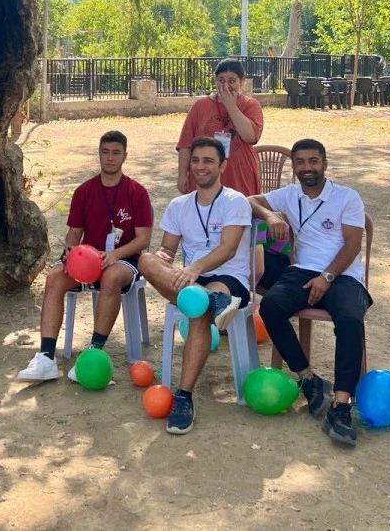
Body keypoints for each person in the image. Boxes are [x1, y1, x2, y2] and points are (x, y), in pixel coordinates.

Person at [250, 138, 370, 446]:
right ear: (294, 166)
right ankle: (309, 379)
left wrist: (327, 276)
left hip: (343, 275)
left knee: (350, 319)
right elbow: (249, 200)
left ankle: (341, 406)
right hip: (302, 271)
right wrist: (271, 215)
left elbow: (353, 245)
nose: (307, 168)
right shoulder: (290, 194)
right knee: (271, 306)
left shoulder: (347, 197)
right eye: (300, 162)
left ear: (325, 164)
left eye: (313, 161)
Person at [17, 131, 153, 383]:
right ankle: (46, 357)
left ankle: (93, 353)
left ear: (125, 156)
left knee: (112, 277)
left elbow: (143, 239)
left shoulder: (137, 192)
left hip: (124, 258)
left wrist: (115, 254)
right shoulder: (84, 191)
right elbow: (74, 233)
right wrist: (70, 253)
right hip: (88, 259)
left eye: (116, 153)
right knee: (54, 277)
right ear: (98, 154)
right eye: (105, 152)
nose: (110, 158)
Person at [138, 137, 253, 434]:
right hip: (191, 280)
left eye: (208, 161)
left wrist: (194, 268)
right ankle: (211, 302)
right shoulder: (179, 205)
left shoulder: (235, 201)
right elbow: (168, 248)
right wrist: (164, 257)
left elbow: (229, 249)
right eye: (196, 160)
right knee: (146, 260)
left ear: (222, 166)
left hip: (229, 277)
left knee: (198, 308)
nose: (200, 167)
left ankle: (183, 397)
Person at [176, 58, 277, 290]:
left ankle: (242, 296)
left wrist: (231, 105)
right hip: (207, 183)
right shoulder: (200, 106)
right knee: (208, 239)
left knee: (254, 262)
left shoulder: (250, 104)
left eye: (232, 80)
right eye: (221, 80)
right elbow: (185, 144)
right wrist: (182, 174)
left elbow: (251, 136)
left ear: (242, 81)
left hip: (241, 179)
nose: (226, 85)